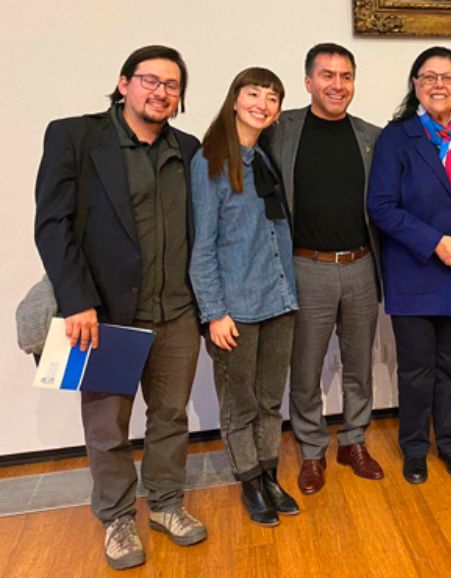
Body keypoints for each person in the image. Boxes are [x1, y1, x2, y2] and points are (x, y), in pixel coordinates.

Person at [34, 45, 206, 570]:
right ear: (124, 82)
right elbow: (53, 225)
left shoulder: (190, 147)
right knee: (107, 426)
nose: (161, 92)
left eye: (172, 85)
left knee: (171, 416)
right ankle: (115, 517)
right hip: (105, 314)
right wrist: (77, 300)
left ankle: (166, 503)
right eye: (150, 80)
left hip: (176, 311)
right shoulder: (76, 136)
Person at [264, 43, 384, 494]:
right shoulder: (281, 129)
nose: (338, 85)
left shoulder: (372, 136)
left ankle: (354, 440)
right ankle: (311, 450)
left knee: (359, 366)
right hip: (305, 266)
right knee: (306, 367)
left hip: (360, 265)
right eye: (328, 75)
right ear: (309, 81)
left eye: (346, 76)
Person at [189, 67, 299, 526]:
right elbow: (202, 245)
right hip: (235, 308)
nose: (263, 103)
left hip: (279, 298)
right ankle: (249, 480)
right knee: (240, 402)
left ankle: (270, 472)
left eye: (272, 97)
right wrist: (214, 312)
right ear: (235, 98)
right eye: (254, 93)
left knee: (271, 398)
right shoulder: (210, 161)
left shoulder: (266, 158)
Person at [367, 46, 451, 484]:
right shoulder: (396, 137)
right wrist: (433, 242)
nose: (438, 85)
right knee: (416, 371)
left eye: (447, 77)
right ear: (415, 85)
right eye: (428, 77)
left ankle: (450, 444)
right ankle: (414, 448)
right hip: (414, 273)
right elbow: (380, 205)